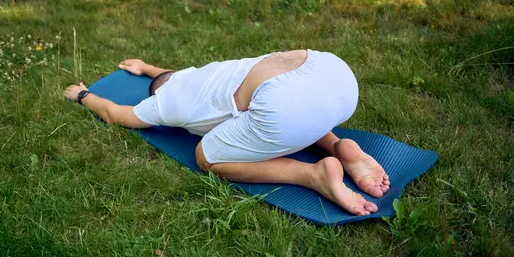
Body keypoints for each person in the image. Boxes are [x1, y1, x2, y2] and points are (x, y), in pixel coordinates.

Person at [64, 49, 390, 216]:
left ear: (156, 94)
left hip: (286, 106)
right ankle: (337, 145)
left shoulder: (162, 104)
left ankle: (313, 175)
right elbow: (173, 75)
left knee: (205, 156)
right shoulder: (203, 73)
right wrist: (146, 66)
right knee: (284, 104)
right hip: (330, 70)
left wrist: (82, 95)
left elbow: (113, 113)